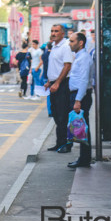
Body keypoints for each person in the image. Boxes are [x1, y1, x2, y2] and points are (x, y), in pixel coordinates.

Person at [44, 24, 74, 153]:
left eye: (56, 31)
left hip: (62, 84)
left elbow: (67, 66)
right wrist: (50, 82)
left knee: (63, 116)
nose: (53, 33)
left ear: (63, 33)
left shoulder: (65, 46)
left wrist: (57, 83)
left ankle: (66, 144)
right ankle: (59, 143)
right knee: (56, 115)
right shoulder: (54, 47)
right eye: (52, 31)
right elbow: (56, 67)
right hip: (54, 83)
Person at [66, 32, 93, 168]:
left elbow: (84, 80)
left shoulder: (84, 58)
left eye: (72, 41)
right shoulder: (79, 56)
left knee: (82, 127)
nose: (69, 44)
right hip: (78, 95)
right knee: (80, 127)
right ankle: (83, 158)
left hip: (81, 96)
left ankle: (84, 159)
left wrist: (78, 100)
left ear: (80, 42)